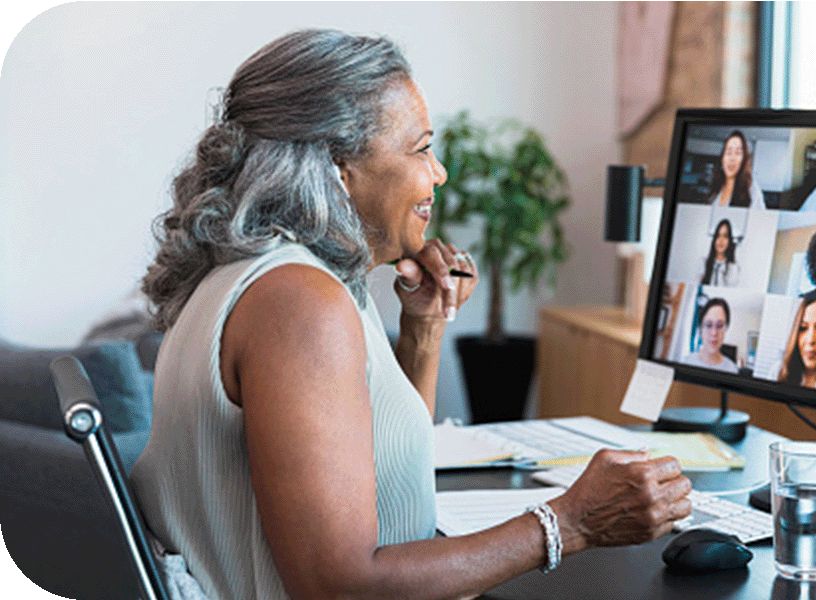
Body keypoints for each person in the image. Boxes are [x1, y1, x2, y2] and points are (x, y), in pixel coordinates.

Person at [130, 30, 691, 599]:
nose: (439, 173)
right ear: (337, 168)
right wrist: (570, 523)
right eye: (421, 148)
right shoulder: (298, 304)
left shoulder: (272, 275)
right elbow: (340, 585)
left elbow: (385, 477)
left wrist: (422, 333)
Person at [704, 130, 766, 209]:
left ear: (743, 160)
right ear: (722, 159)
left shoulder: (751, 189)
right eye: (729, 152)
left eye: (737, 153)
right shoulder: (716, 186)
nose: (732, 158)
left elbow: (760, 219)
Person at [681, 297, 739, 373]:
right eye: (708, 325)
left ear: (726, 329)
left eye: (720, 325)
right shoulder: (685, 363)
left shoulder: (733, 370)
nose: (714, 333)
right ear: (701, 329)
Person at [700, 219, 740, 286]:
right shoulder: (703, 262)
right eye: (718, 236)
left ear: (729, 240)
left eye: (725, 236)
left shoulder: (733, 266)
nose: (721, 240)